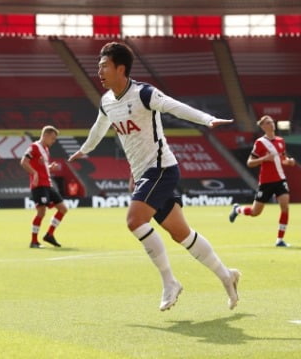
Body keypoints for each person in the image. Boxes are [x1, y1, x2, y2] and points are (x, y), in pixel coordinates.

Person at [68, 42, 240, 311]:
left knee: (134, 220)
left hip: (161, 169)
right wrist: (84, 150)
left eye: (104, 66)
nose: (98, 71)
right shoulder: (107, 102)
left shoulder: (143, 93)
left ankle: (170, 282)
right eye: (98, 67)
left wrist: (207, 119)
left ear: (120, 68)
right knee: (181, 234)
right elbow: (98, 129)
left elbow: (174, 106)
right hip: (143, 174)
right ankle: (227, 276)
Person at [228, 115, 296, 247]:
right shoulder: (260, 142)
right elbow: (250, 162)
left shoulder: (281, 141)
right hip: (266, 182)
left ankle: (280, 239)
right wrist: (264, 159)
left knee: (285, 207)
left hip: (281, 179)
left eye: (272, 122)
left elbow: (283, 158)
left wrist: (289, 162)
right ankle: (237, 210)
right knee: (255, 212)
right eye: (268, 123)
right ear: (263, 126)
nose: (271, 124)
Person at [21, 125, 67, 249]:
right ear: (45, 135)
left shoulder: (45, 150)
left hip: (48, 184)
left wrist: (49, 168)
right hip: (39, 185)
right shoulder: (34, 147)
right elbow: (23, 162)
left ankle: (49, 234)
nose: (53, 141)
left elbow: (40, 167)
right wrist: (34, 173)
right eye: (52, 138)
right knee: (41, 212)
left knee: (63, 209)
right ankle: (34, 241)